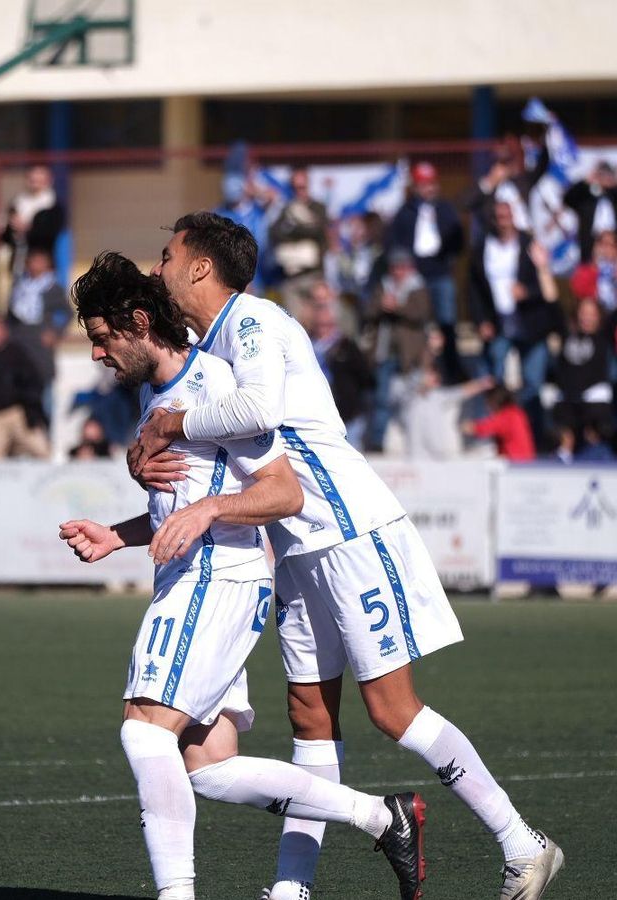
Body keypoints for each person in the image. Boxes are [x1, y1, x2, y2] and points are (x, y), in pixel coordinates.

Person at [133, 212, 561, 900]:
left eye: (166, 253)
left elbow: (258, 409)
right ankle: (291, 891)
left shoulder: (253, 322)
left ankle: (522, 842)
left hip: (351, 529)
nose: (158, 267)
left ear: (201, 267)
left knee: (392, 712)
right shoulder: (211, 345)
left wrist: (173, 424)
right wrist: (146, 450)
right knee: (310, 718)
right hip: (297, 545)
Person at [61, 250, 427, 900]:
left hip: (217, 582)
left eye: (100, 339)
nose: (95, 355)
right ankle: (381, 816)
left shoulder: (215, 388)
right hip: (197, 582)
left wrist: (207, 511)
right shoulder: (154, 396)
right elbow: (182, 507)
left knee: (144, 731)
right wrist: (118, 535)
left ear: (139, 322)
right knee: (208, 765)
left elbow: (283, 494)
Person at [469, 205, 560, 430]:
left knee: (532, 381)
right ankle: (497, 429)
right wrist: (481, 320)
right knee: (494, 379)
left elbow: (547, 286)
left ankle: (530, 431)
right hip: (498, 321)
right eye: (498, 217)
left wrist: (527, 292)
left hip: (530, 322)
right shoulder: (483, 248)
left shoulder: (529, 245)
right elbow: (473, 289)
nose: (503, 221)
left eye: (507, 216)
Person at [388, 162, 465, 381]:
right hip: (416, 275)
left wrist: (448, 257)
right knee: (416, 322)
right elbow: (395, 242)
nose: (428, 188)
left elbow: (457, 240)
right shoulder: (405, 212)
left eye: (431, 183)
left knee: (447, 323)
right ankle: (418, 371)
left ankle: (451, 372)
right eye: (423, 184)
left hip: (440, 273)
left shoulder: (445, 209)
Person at [366, 248, 433, 452]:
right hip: (385, 353)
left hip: (410, 355)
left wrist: (397, 307)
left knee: (413, 400)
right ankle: (377, 441)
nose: (398, 272)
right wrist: (381, 305)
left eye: (402, 268)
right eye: (395, 268)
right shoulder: (383, 286)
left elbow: (421, 314)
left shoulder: (418, 288)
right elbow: (368, 311)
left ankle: (418, 442)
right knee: (382, 399)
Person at [0, 315, 50, 460]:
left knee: (42, 451)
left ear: (4, 330)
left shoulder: (19, 354)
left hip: (17, 413)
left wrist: (31, 410)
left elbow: (34, 382)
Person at [306, 291, 375, 447]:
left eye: (327, 325)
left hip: (347, 417)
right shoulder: (306, 345)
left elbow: (366, 378)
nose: (323, 329)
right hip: (316, 417)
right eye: (319, 325)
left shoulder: (347, 346)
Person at [553, 298, 615, 456]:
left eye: (591, 314)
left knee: (593, 441)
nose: (586, 317)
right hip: (569, 401)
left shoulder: (604, 337)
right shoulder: (567, 335)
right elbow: (553, 305)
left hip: (594, 406)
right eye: (583, 313)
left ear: (599, 317)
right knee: (565, 440)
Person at [6, 247, 70, 396]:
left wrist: (55, 333)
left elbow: (67, 313)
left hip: (39, 339)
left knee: (43, 380)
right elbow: (10, 314)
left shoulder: (52, 287)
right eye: (32, 261)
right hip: (19, 337)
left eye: (39, 262)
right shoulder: (20, 285)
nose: (35, 265)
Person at [561, 162, 617, 264]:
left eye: (608, 176)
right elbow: (567, 199)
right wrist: (585, 181)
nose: (605, 179)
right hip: (591, 252)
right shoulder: (586, 198)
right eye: (601, 176)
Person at [270, 168, 331, 318]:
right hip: (292, 279)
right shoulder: (286, 209)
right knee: (295, 323)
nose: (299, 192)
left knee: (317, 321)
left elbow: (317, 231)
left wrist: (293, 229)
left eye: (302, 187)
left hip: (314, 276)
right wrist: (303, 230)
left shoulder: (319, 208)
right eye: (295, 188)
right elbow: (275, 233)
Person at [0, 164, 66, 276]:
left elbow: (50, 233)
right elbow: (6, 237)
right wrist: (11, 228)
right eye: (32, 180)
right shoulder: (18, 203)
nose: (35, 183)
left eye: (39, 180)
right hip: (19, 264)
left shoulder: (53, 206)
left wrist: (27, 228)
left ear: (48, 181)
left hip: (42, 267)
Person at [465, 385, 536, 461]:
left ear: (494, 401)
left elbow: (484, 428)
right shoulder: (517, 412)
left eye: (488, 402)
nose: (487, 407)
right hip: (525, 458)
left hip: (515, 462)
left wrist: (467, 427)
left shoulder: (507, 415)